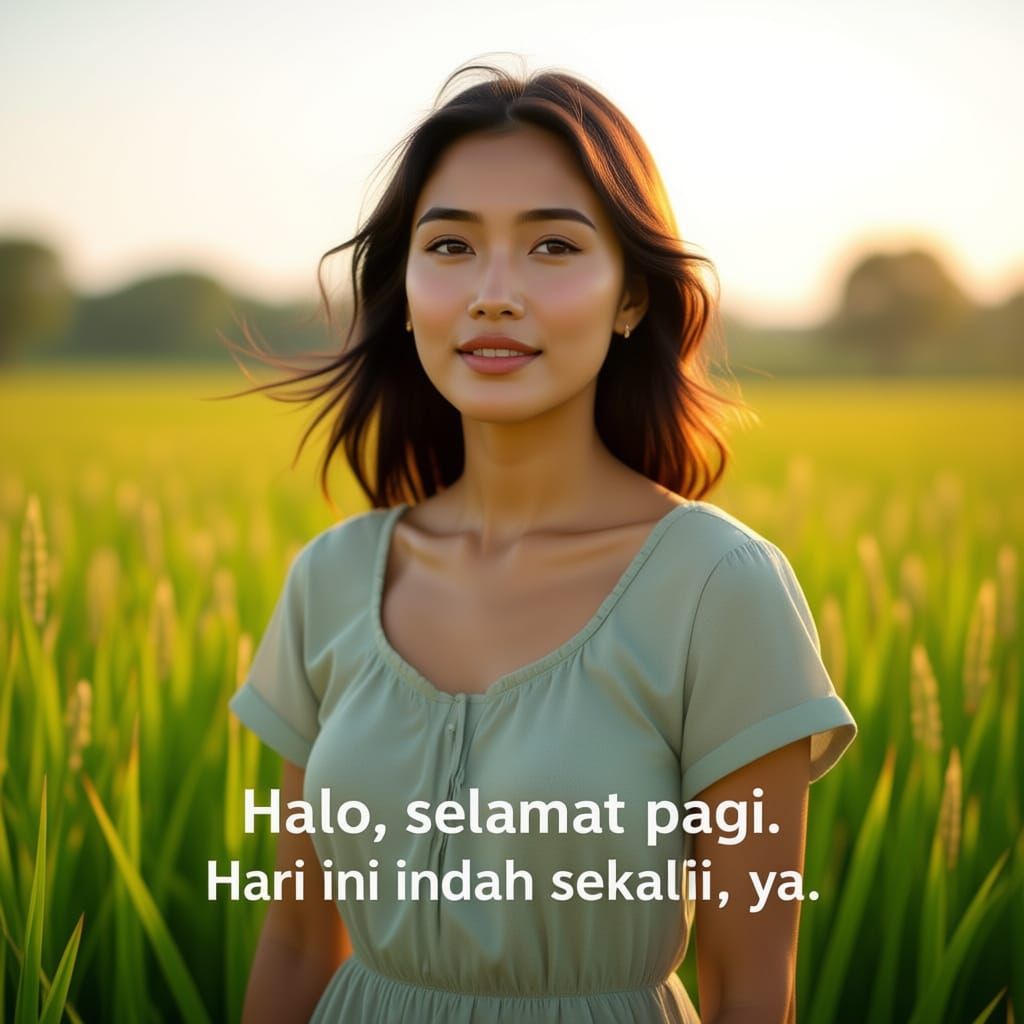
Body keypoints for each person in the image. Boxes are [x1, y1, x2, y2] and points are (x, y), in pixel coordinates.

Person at [227, 58, 858, 1024]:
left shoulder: (719, 588)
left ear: (632, 297)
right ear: (405, 289)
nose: (493, 293)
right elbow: (298, 939)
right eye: (450, 246)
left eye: (553, 246)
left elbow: (750, 986)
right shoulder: (332, 578)